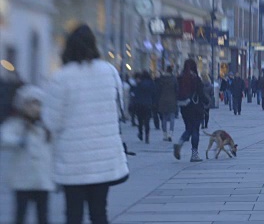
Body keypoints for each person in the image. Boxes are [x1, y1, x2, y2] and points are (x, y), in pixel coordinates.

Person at [43, 24, 129, 224]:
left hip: (72, 160)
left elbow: (50, 121)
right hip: (104, 157)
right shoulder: (109, 72)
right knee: (99, 213)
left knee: (73, 214)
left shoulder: (61, 77)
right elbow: (119, 110)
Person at [1, 85, 55, 224]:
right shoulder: (16, 124)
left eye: (37, 104)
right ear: (21, 105)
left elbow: (55, 148)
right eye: (29, 104)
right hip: (22, 180)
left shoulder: (46, 126)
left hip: (42, 180)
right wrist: (19, 140)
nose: (33, 108)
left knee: (43, 215)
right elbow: (4, 139)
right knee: (20, 214)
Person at [173, 59, 209, 162]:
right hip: (195, 107)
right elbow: (201, 93)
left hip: (184, 107)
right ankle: (194, 155)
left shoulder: (180, 78)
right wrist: (207, 102)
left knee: (189, 128)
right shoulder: (195, 78)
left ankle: (180, 142)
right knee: (195, 130)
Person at [132, 71, 156, 144]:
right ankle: (147, 136)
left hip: (139, 104)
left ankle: (140, 133)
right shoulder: (151, 83)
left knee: (140, 120)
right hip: (148, 104)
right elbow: (154, 94)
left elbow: (136, 94)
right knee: (147, 121)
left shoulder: (139, 84)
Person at [156, 66, 178, 141]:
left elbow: (158, 90)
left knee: (164, 118)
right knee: (172, 117)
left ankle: (165, 134)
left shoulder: (161, 79)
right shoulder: (174, 79)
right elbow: (177, 90)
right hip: (172, 100)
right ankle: (170, 134)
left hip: (163, 100)